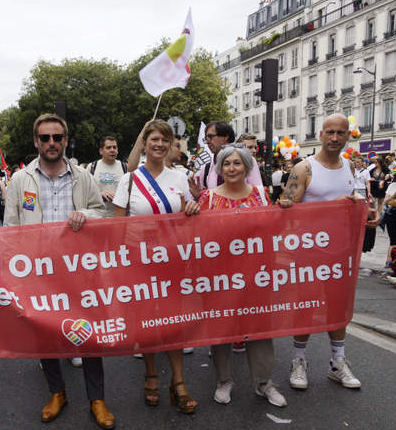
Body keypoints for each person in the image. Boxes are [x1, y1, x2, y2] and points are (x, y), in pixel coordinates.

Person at [4, 113, 114, 430]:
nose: (51, 143)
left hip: (80, 270)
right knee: (46, 333)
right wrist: (16, 273)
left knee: (90, 333)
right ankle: (57, 392)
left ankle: (97, 398)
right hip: (38, 271)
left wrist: (85, 215)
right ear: (36, 141)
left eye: (57, 137)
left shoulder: (82, 177)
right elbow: (10, 227)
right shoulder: (21, 181)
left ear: (65, 140)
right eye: (45, 138)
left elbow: (101, 213)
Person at [281, 113, 378, 390]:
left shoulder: (350, 168)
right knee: (307, 307)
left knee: (337, 306)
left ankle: (338, 361)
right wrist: (331, 207)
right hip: (308, 253)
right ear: (321, 135)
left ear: (348, 135)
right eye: (330, 132)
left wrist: (365, 212)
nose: (335, 138)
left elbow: (353, 201)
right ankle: (299, 360)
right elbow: (286, 212)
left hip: (340, 252)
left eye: (341, 133)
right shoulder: (303, 168)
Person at [113, 119, 201, 413]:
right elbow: (116, 226)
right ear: (145, 143)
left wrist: (193, 206)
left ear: (171, 145)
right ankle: (150, 374)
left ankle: (178, 381)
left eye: (166, 140)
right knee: (147, 322)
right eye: (154, 139)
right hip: (140, 262)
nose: (160, 145)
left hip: (173, 261)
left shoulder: (180, 178)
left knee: (174, 321)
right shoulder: (128, 180)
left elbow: (193, 214)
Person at [197, 143, 287, 408]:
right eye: (226, 163)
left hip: (255, 276)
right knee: (222, 328)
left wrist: (285, 209)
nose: (231, 168)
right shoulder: (208, 198)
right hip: (219, 278)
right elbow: (197, 238)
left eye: (237, 163)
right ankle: (224, 380)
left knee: (259, 330)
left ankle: (263, 383)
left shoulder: (261, 195)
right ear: (219, 168)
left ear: (247, 167)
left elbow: (273, 232)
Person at [89, 136, 126, 218]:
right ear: (101, 151)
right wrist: (99, 194)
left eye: (114, 147)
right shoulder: (91, 167)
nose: (112, 150)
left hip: (118, 216)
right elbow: (85, 191)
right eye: (108, 147)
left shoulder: (125, 167)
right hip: (97, 216)